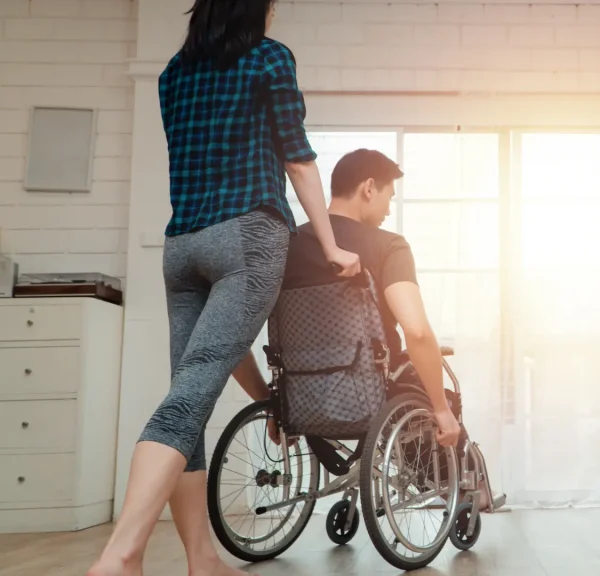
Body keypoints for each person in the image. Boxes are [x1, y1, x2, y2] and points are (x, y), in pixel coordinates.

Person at [88, 1, 359, 575]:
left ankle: (201, 557)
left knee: (188, 397)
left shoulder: (172, 74)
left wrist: (265, 395)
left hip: (183, 247)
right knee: (187, 401)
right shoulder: (268, 59)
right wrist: (332, 247)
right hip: (248, 236)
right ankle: (120, 557)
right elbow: (299, 160)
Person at [232, 148, 461, 449]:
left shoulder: (283, 248)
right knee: (442, 398)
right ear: (368, 188)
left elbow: (232, 339)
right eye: (389, 197)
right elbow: (416, 331)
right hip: (376, 395)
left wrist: (270, 402)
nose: (388, 211)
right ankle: (474, 491)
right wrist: (442, 409)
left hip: (301, 398)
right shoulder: (388, 246)